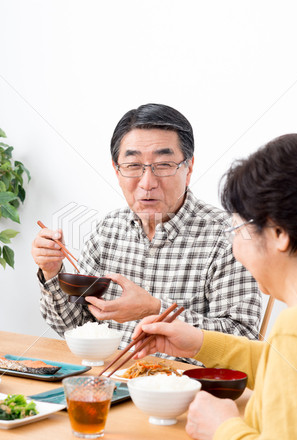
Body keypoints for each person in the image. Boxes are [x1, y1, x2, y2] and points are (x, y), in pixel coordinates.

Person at [32, 103, 262, 363]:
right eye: (133, 165)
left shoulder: (227, 237)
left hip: (186, 393)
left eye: (163, 165)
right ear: (117, 170)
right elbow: (74, 328)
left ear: (188, 168)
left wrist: (155, 309)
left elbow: (245, 342)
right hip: (111, 384)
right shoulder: (108, 230)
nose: (147, 183)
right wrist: (52, 273)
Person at [132, 133, 297, 440]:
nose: (235, 248)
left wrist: (224, 429)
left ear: (279, 233)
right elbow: (287, 366)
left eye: (238, 230)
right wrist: (197, 342)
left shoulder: (296, 327)